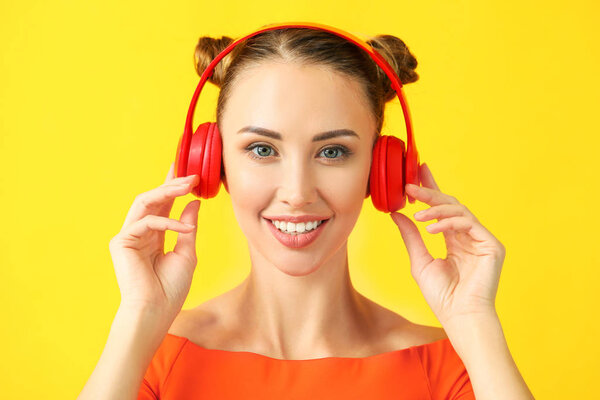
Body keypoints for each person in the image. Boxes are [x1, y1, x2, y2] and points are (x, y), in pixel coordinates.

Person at [77, 27, 534, 399]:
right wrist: (138, 315)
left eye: (333, 151)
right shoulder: (153, 355)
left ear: (381, 170)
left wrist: (475, 321)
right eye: (262, 149)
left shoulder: (448, 365)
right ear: (211, 163)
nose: (297, 193)